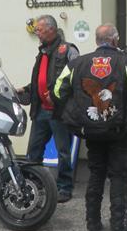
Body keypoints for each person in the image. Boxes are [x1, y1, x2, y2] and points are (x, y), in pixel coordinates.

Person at [53, 23, 127, 231]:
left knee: (96, 173)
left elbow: (58, 91)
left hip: (91, 129)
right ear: (115, 40)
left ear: (97, 41)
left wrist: (75, 117)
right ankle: (119, 225)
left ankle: (93, 223)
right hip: (118, 130)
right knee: (119, 175)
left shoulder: (77, 63)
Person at [16, 15, 79, 203]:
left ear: (51, 29)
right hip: (41, 110)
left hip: (59, 111)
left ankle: (64, 188)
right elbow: (40, 80)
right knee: (33, 151)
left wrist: (58, 95)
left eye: (40, 29)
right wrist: (26, 89)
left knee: (63, 152)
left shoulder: (68, 50)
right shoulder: (42, 52)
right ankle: (33, 184)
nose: (37, 32)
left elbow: (76, 78)